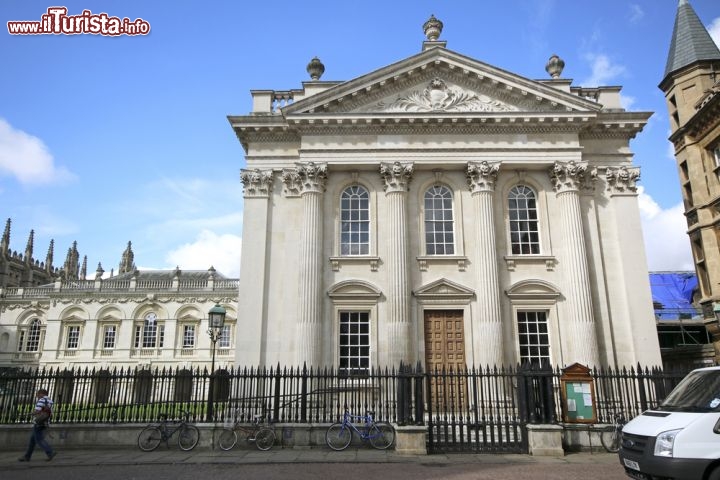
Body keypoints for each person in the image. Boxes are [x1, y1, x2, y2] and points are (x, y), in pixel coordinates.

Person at [18, 388, 56, 462]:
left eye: (37, 394)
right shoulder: (50, 401)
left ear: (41, 394)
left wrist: (28, 414)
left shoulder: (41, 400)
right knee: (32, 440)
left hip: (38, 422)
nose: (37, 396)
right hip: (45, 422)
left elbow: (37, 411)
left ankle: (50, 452)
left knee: (39, 440)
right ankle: (27, 456)